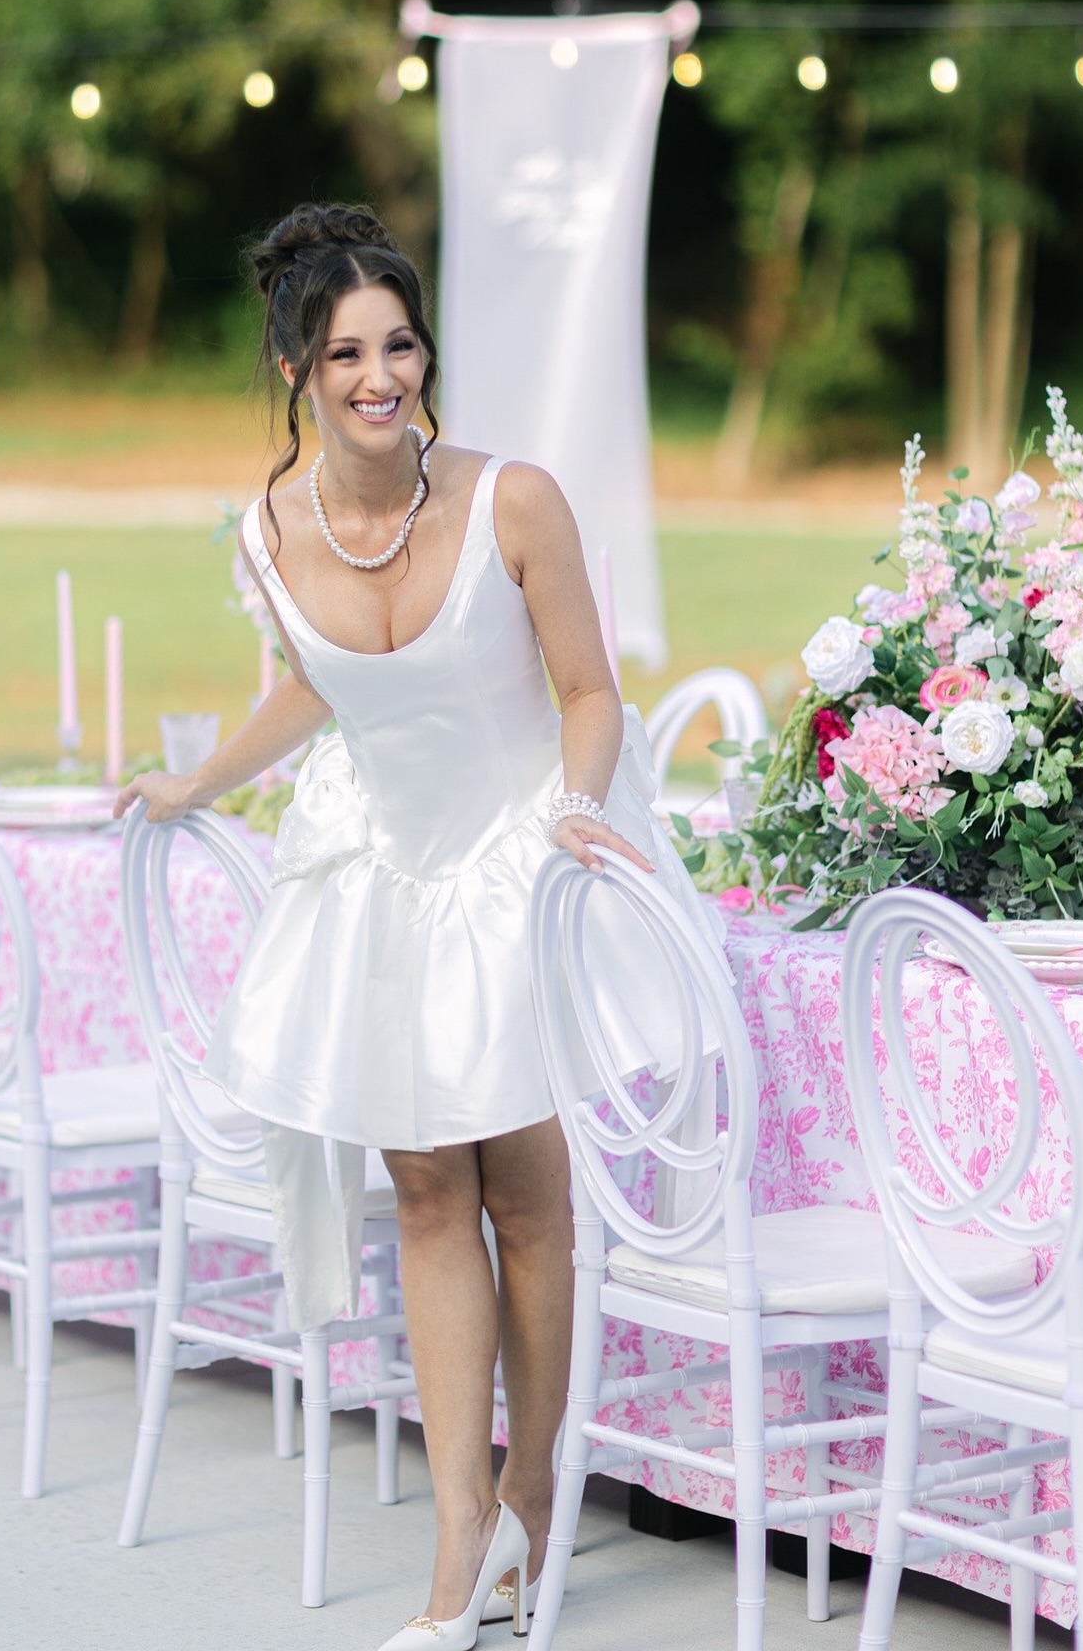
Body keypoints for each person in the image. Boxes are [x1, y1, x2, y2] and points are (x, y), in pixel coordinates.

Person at [114, 203, 699, 1651]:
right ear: (297, 369)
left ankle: (536, 1493)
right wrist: (200, 776)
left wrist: (571, 816)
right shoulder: (265, 533)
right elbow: (320, 685)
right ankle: (460, 1531)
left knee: (527, 1195)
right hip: (389, 873)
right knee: (429, 1194)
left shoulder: (515, 501)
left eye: (400, 342)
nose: (382, 375)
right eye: (346, 352)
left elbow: (589, 691)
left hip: (530, 853)